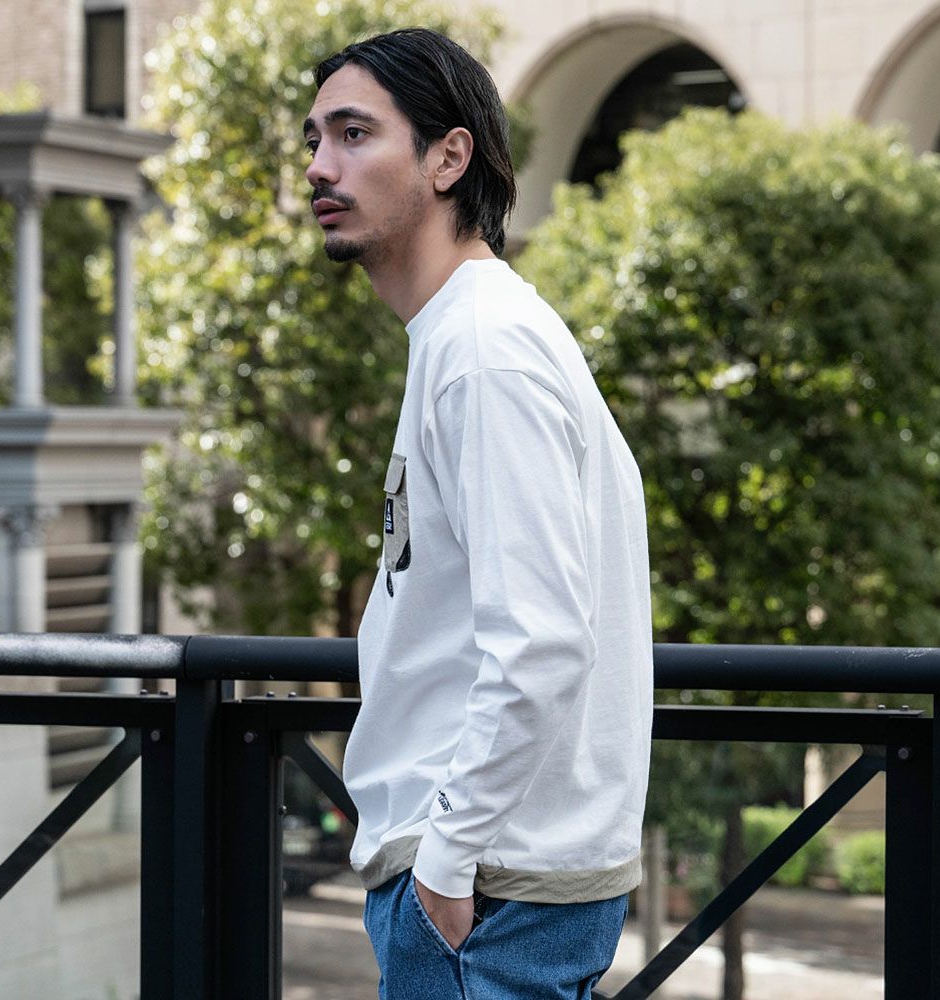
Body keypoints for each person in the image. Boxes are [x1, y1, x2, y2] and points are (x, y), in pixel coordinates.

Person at [303, 27, 653, 1000]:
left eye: (354, 134)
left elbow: (542, 639)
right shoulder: (465, 336)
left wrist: (446, 863)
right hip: (493, 882)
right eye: (314, 139)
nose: (320, 166)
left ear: (448, 157)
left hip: (487, 892)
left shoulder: (484, 353)